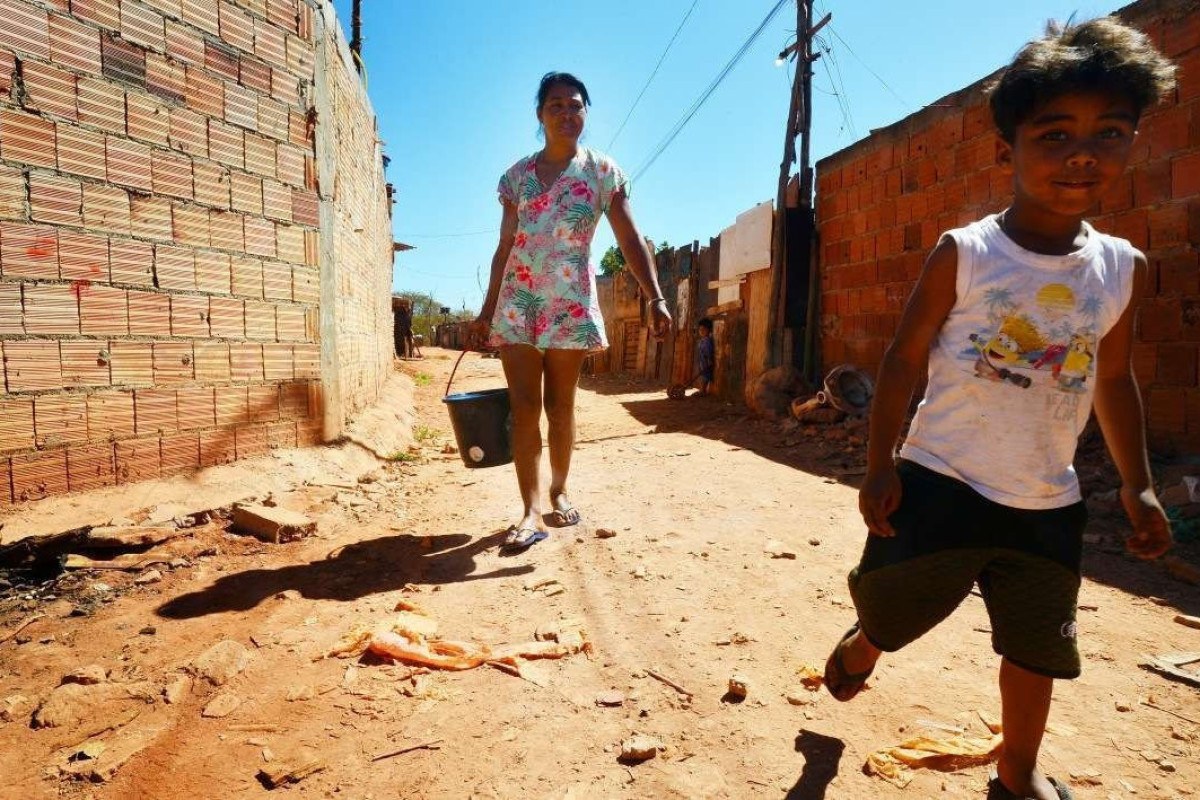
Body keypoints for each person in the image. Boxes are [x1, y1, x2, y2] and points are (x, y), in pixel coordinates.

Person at [822, 18, 1174, 800]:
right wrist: (881, 463)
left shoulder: (1122, 269)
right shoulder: (968, 252)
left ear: (1134, 140)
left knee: (1037, 644)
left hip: (1047, 498)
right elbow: (903, 358)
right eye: (1054, 133)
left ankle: (1016, 770)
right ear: (1005, 147)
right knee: (893, 604)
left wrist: (1137, 482)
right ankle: (867, 644)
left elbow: (1112, 381)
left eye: (1108, 132)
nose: (1082, 152)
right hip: (941, 478)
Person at [469, 71, 670, 552]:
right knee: (524, 408)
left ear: (585, 113)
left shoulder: (603, 172)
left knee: (560, 407)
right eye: (555, 105)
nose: (566, 113)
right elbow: (504, 246)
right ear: (540, 114)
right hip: (517, 304)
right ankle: (530, 510)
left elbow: (629, 238)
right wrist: (486, 309)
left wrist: (656, 296)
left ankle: (559, 491)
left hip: (569, 306)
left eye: (575, 105)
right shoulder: (516, 177)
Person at [693, 317, 714, 396]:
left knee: (705, 376)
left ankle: (702, 390)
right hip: (702, 362)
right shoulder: (702, 341)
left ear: (709, 330)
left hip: (706, 362)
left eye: (703, 330)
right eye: (700, 330)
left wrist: (709, 360)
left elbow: (709, 352)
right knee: (703, 376)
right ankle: (702, 390)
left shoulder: (707, 341)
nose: (701, 332)